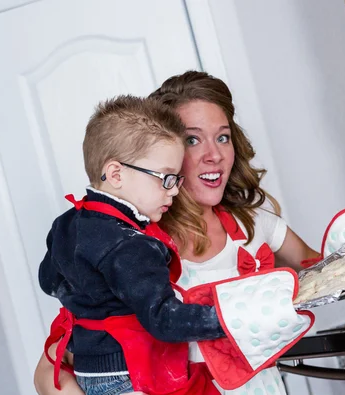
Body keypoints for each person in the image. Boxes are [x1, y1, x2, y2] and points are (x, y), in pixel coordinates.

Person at [34, 72, 321, 395]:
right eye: (192, 139)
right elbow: (50, 371)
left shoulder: (253, 225)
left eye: (223, 137)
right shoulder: (127, 243)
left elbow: (325, 275)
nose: (214, 154)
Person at [38, 95, 228, 395]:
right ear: (116, 174)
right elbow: (164, 320)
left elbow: (48, 281)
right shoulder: (131, 245)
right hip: (130, 376)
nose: (174, 191)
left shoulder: (66, 223)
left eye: (177, 180)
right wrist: (229, 317)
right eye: (166, 179)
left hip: (90, 372)